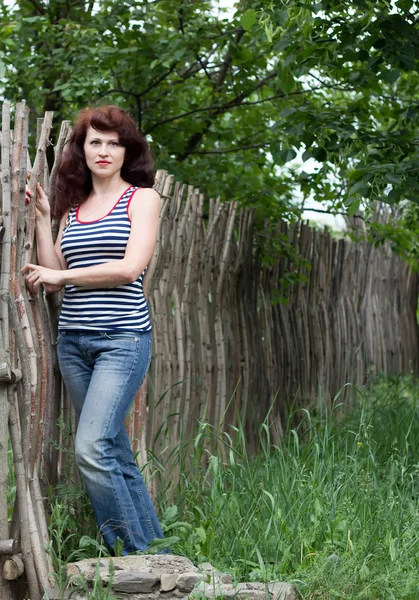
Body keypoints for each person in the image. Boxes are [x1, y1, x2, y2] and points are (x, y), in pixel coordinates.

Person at [22, 105, 167, 556]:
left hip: (121, 341)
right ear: (82, 151)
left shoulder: (143, 199)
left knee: (90, 448)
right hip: (74, 344)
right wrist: (46, 221)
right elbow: (54, 272)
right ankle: (156, 553)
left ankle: (130, 556)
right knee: (114, 450)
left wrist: (61, 279)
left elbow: (129, 269)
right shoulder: (75, 209)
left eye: (113, 142)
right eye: (95, 142)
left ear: (128, 151)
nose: (104, 150)